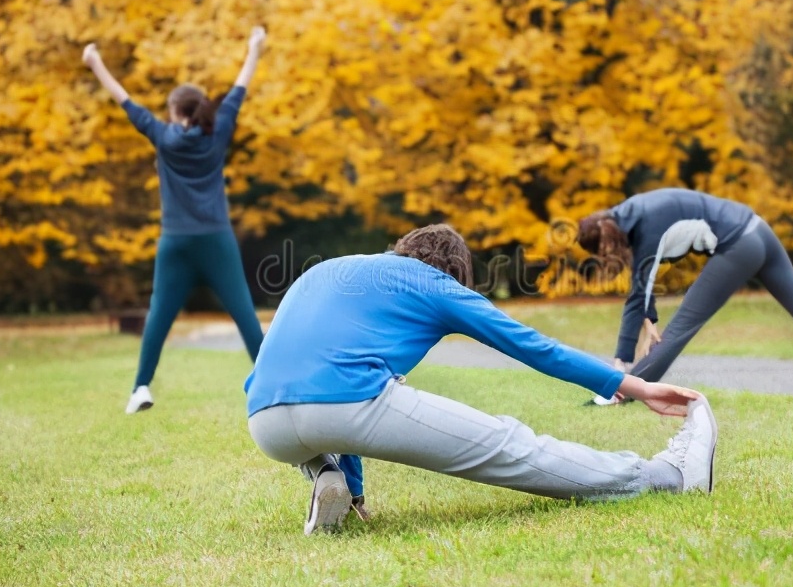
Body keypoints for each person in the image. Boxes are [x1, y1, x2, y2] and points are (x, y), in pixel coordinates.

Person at [244, 224, 718, 536]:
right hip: (346, 403)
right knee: (510, 445)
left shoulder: (327, 271)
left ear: (401, 249)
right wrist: (636, 385)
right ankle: (667, 477)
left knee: (331, 402)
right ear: (454, 276)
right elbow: (536, 348)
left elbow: (298, 369)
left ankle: (328, 476)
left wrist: (354, 485)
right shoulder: (433, 282)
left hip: (266, 424)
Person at [83, 28, 268, 415]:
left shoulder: (163, 137)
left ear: (173, 112)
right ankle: (273, 383)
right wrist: (253, 47)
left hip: (176, 241)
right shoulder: (218, 131)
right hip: (215, 238)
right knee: (244, 313)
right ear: (199, 109)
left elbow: (124, 99)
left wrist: (95, 62)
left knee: (159, 315)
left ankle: (140, 388)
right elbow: (240, 85)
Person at [577, 188, 793, 405]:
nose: (610, 256)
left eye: (605, 251)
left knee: (680, 327)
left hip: (738, 246)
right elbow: (644, 278)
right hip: (759, 230)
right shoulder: (630, 212)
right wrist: (649, 317)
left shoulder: (646, 230)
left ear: (606, 236)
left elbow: (638, 292)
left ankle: (621, 393)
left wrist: (619, 364)